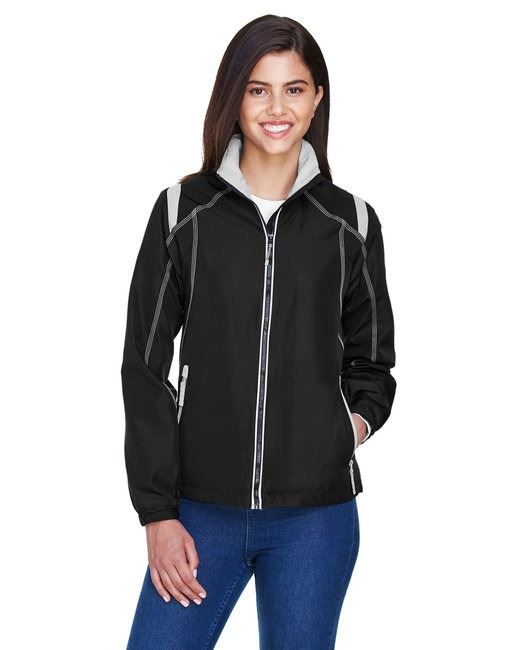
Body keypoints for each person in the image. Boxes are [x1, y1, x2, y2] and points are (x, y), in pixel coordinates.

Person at [121, 14, 397, 649]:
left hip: (315, 521)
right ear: (234, 98)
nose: (277, 108)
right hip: (199, 511)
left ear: (316, 99)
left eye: (293, 89)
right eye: (258, 89)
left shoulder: (351, 222)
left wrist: (349, 427)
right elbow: (144, 365)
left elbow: (373, 361)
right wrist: (158, 512)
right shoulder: (183, 212)